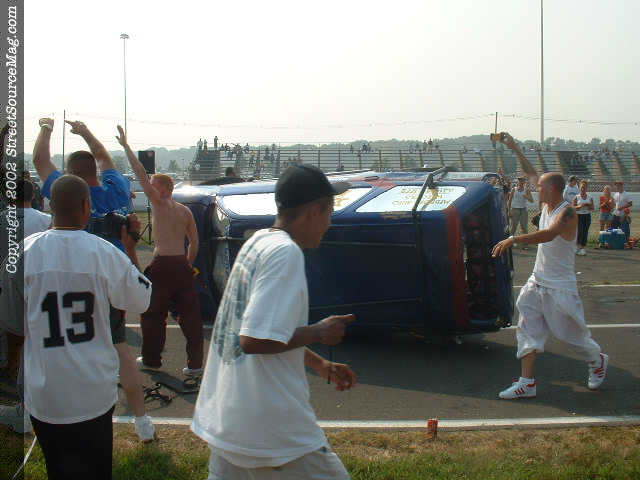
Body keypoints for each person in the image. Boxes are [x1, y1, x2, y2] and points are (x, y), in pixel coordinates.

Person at [191, 164, 357, 480]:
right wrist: (319, 332)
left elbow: (258, 326)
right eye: (329, 212)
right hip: (272, 431)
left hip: (230, 419)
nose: (329, 222)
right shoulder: (285, 253)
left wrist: (319, 364)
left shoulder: (258, 243)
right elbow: (252, 340)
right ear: (313, 211)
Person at [0, 175, 152, 479]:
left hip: (45, 392)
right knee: (96, 469)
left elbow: (13, 323)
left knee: (58, 468)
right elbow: (142, 300)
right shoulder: (105, 253)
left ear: (50, 206)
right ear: (86, 206)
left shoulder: (23, 252)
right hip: (92, 391)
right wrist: (130, 248)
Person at [32, 117, 156, 442]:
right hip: (112, 281)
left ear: (72, 177)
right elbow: (104, 158)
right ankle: (142, 421)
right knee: (121, 350)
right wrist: (86, 132)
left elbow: (40, 161)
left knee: (61, 348)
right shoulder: (116, 190)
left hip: (68, 283)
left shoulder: (70, 195)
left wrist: (46, 128)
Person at [491, 132, 608, 400]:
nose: (536, 188)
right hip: (538, 279)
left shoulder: (567, 212)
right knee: (527, 327)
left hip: (560, 284)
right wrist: (514, 146)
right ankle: (527, 383)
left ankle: (597, 359)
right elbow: (531, 172)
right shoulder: (547, 203)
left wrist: (513, 239)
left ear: (552, 190)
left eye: (541, 187)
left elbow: (549, 234)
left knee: (570, 336)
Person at [115, 126, 204, 376]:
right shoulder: (185, 211)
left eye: (154, 186)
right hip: (182, 265)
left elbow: (140, 173)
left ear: (163, 189)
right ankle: (195, 365)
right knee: (191, 316)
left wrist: (126, 147)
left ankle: (152, 360)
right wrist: (188, 265)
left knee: (153, 315)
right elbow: (194, 243)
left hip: (162, 264)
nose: (149, 189)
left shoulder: (159, 203)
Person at [0, 180, 51, 434]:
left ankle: (13, 378)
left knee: (11, 338)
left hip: (7, 281)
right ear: (33, 196)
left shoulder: (2, 218)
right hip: (37, 282)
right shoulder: (46, 220)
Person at [507, 176, 534, 249]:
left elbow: (532, 200)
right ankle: (510, 243)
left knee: (524, 227)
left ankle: (525, 244)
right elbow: (509, 201)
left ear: (524, 182)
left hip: (523, 210)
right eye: (519, 180)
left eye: (522, 180)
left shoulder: (526, 190)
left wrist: (526, 197)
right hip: (515, 209)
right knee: (513, 227)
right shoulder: (514, 189)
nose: (520, 182)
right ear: (518, 181)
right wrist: (509, 211)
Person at [573, 180, 594, 255]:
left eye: (584, 187)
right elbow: (573, 207)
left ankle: (582, 248)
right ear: (579, 188)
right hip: (579, 216)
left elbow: (592, 207)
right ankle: (576, 246)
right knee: (579, 232)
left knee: (585, 232)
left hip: (587, 216)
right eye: (581, 187)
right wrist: (580, 206)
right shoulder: (577, 197)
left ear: (586, 188)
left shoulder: (590, 197)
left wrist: (587, 205)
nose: (583, 189)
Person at [612, 181, 633, 245]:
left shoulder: (626, 194)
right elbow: (614, 203)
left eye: (618, 185)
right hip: (615, 214)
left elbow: (630, 203)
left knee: (624, 229)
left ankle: (625, 242)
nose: (617, 187)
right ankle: (615, 242)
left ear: (622, 186)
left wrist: (622, 207)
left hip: (623, 215)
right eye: (616, 186)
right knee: (614, 229)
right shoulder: (615, 194)